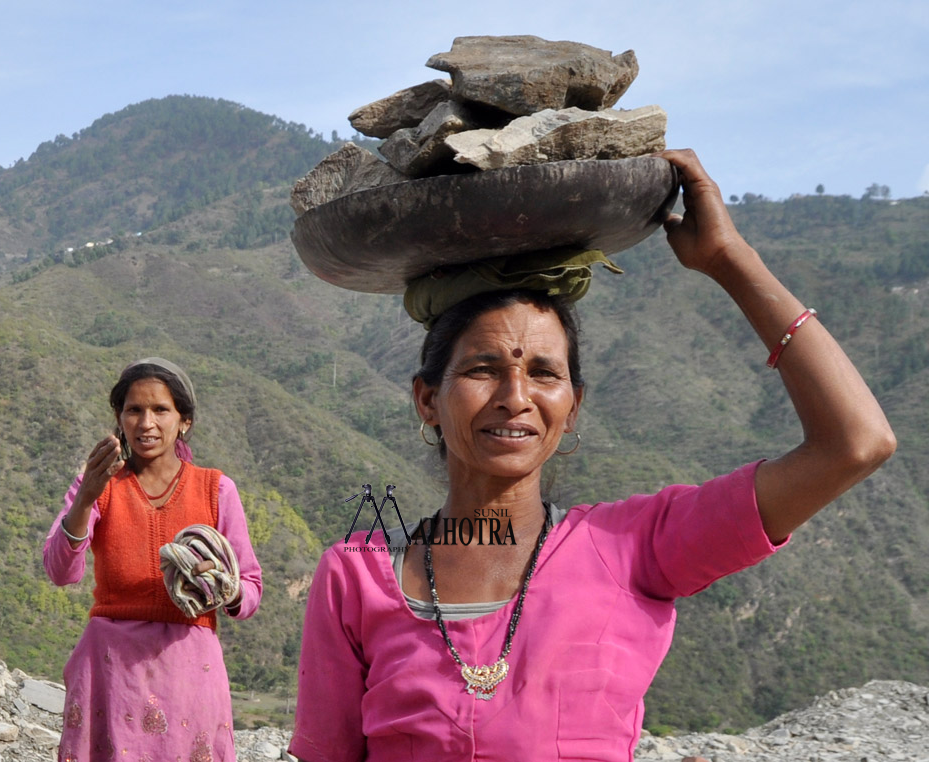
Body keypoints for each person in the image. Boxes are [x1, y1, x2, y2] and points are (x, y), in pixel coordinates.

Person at [288, 150, 896, 762]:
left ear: (572, 406)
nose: (515, 398)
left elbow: (856, 444)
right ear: (427, 399)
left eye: (544, 373)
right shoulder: (357, 577)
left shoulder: (635, 546)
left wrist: (729, 261)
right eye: (482, 368)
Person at [43, 357, 263, 762]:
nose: (146, 423)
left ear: (184, 421)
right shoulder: (98, 485)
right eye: (134, 410)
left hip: (190, 672)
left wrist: (221, 584)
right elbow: (60, 571)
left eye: (161, 410)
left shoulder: (217, 490)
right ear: (119, 417)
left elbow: (249, 591)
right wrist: (85, 499)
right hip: (110, 672)